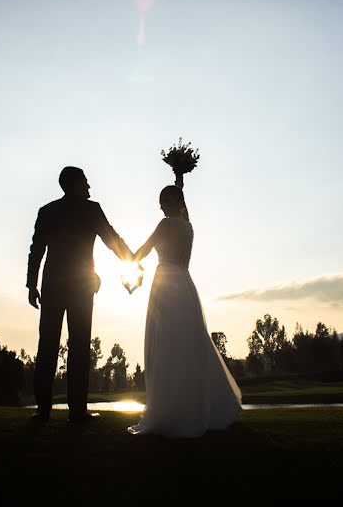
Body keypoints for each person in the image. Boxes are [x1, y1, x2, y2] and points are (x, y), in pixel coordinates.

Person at [127, 185, 242, 437]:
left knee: (168, 345)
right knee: (189, 344)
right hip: (185, 285)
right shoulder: (188, 225)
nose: (161, 205)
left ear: (177, 200)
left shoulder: (166, 225)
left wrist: (129, 263)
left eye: (166, 199)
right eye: (160, 200)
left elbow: (144, 250)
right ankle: (197, 406)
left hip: (166, 286)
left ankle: (172, 409)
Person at [26, 166, 133, 423]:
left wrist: (32, 284)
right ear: (75, 184)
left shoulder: (48, 211)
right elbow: (112, 239)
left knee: (48, 345)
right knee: (80, 346)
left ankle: (43, 411)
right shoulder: (91, 209)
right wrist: (132, 259)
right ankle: (77, 411)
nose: (89, 187)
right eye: (85, 182)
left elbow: (36, 250)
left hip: (52, 285)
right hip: (82, 286)